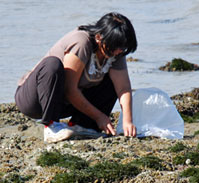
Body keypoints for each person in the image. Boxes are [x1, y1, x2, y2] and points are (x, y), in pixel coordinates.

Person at [15, 12, 138, 143]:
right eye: (116, 47)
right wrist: (99, 117)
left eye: (123, 48)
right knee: (53, 64)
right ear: (99, 37)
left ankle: (82, 126)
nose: (119, 51)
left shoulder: (115, 52)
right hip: (35, 100)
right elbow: (69, 89)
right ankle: (51, 126)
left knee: (112, 82)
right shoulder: (81, 42)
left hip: (65, 104)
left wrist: (127, 121)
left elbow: (123, 88)